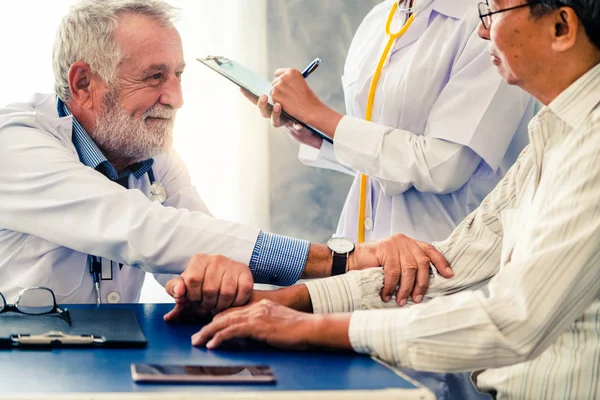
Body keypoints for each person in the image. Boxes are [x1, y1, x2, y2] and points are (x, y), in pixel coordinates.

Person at [191, 0, 600, 398]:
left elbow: (513, 318)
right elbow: (457, 257)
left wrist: (310, 326)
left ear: (561, 27)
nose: (481, 28)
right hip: (393, 279)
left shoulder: (590, 146)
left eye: (491, 12)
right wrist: (301, 298)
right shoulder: (554, 133)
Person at [0, 0, 451, 309]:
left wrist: (209, 282)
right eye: (154, 76)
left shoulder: (151, 153)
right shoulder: (15, 142)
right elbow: (144, 229)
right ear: (83, 83)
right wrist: (344, 259)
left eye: (177, 75)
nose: (175, 98)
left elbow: (200, 244)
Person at [250, 0, 536, 254]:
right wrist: (314, 132)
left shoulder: (489, 22)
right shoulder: (378, 19)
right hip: (362, 256)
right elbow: (380, 159)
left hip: (445, 262)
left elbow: (442, 167)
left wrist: (320, 116)